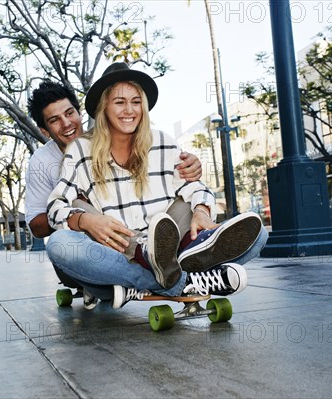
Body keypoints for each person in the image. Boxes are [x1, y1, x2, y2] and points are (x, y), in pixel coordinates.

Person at [46, 62, 267, 308]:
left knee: (260, 235)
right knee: (59, 245)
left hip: (169, 239)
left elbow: (194, 188)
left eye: (136, 101)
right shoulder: (80, 150)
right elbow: (55, 207)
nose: (129, 110)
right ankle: (181, 281)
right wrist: (85, 221)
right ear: (104, 107)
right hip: (121, 251)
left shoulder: (163, 142)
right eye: (119, 102)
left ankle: (167, 267)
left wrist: (202, 211)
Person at [26, 80, 204, 306]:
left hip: (131, 241)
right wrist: (82, 219)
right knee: (60, 245)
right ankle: (173, 282)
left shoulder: (110, 136)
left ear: (79, 113)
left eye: (70, 113)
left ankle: (147, 272)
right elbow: (36, 226)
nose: (66, 123)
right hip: (88, 249)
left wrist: (188, 169)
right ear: (45, 130)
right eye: (54, 120)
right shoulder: (42, 162)